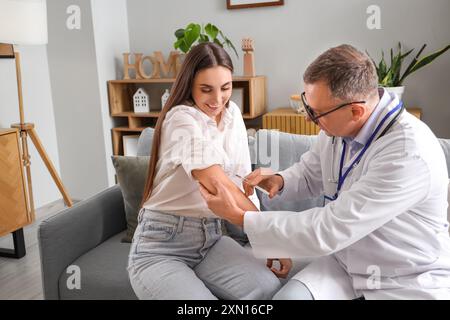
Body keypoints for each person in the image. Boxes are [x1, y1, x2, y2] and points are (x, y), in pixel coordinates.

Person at [199, 44, 450, 300]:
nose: (309, 119)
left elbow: (328, 229)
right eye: (308, 105)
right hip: (345, 263)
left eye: (316, 113)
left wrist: (243, 218)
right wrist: (280, 180)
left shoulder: (408, 153)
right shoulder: (337, 128)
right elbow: (311, 174)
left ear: (356, 111)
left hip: (403, 279)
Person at [127, 42, 282, 300]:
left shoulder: (233, 115)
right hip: (160, 246)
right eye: (206, 90)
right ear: (189, 85)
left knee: (268, 289)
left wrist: (263, 241)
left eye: (226, 88)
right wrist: (272, 237)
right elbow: (219, 185)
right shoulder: (180, 119)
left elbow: (241, 182)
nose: (218, 99)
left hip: (210, 239)